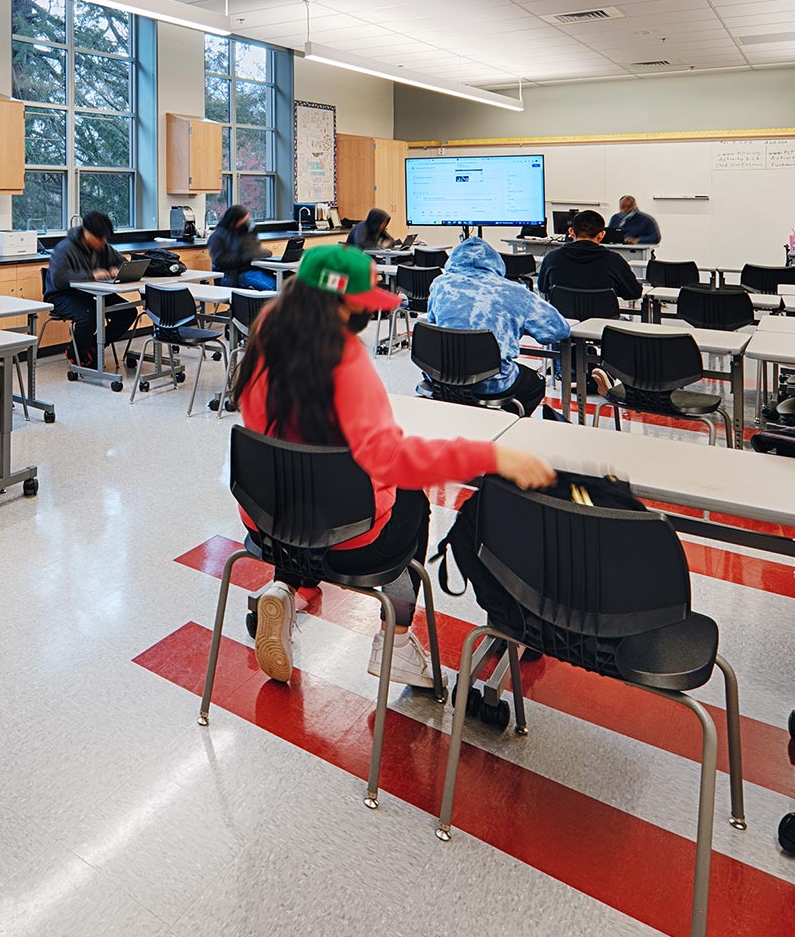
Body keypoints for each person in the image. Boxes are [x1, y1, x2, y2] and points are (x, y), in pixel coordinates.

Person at [233, 245, 554, 686]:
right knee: (411, 504)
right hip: (352, 539)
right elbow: (395, 460)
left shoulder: (266, 331)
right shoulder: (344, 359)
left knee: (301, 474)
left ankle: (284, 588)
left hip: (268, 524)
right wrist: (489, 454)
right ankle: (396, 642)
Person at [425, 237, 570, 418]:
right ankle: (507, 425)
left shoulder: (440, 285)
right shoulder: (516, 292)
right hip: (492, 383)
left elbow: (432, 322)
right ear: (496, 262)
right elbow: (558, 330)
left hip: (440, 377)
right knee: (534, 384)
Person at [44, 210, 140, 368]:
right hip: (63, 296)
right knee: (89, 316)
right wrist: (92, 274)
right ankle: (78, 353)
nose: (103, 242)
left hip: (94, 293)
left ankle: (94, 347)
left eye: (105, 238)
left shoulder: (103, 247)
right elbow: (59, 279)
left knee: (127, 312)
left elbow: (122, 261)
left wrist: (118, 269)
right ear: (87, 233)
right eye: (100, 238)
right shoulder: (64, 249)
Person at [538, 210, 643, 302]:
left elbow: (543, 288)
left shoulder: (552, 258)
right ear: (601, 235)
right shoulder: (615, 260)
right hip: (603, 321)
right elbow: (634, 293)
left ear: (571, 232)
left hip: (565, 321)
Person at [208, 204, 275, 291]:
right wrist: (244, 257)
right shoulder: (217, 237)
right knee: (274, 287)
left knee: (289, 283)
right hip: (234, 274)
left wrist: (261, 253)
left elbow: (255, 250)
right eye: (244, 220)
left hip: (253, 269)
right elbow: (220, 260)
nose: (247, 222)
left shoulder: (245, 232)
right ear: (235, 221)